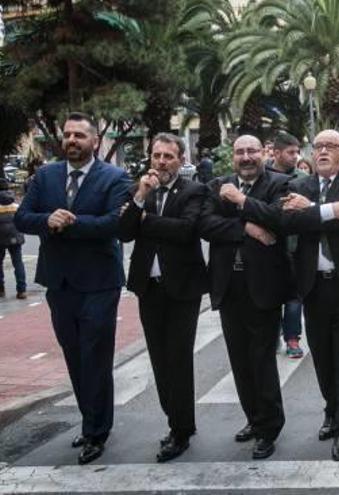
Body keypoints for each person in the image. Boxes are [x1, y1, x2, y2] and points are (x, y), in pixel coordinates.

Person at [14, 112, 131, 464]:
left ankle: (97, 431)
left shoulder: (115, 177)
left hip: (99, 283)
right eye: (67, 135)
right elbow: (22, 217)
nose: (71, 141)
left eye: (79, 135)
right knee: (74, 354)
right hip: (59, 282)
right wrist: (48, 220)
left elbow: (114, 224)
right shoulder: (45, 176)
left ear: (94, 141)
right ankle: (90, 421)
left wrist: (71, 223)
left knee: (95, 354)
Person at [265, 129, 339, 461]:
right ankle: (332, 409)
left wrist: (313, 210)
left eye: (330, 146)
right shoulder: (299, 185)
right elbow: (287, 222)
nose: (322, 151)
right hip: (313, 286)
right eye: (318, 146)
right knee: (323, 357)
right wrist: (329, 210)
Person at [198, 134, 292, 460]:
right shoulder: (216, 185)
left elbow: (280, 219)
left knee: (262, 360)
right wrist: (248, 228)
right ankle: (253, 419)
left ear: (263, 153)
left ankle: (269, 427)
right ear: (233, 157)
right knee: (239, 361)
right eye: (240, 152)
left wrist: (240, 202)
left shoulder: (280, 183)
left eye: (252, 150)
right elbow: (205, 224)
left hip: (264, 288)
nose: (247, 156)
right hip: (228, 287)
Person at [117, 133, 209, 463]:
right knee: (159, 359)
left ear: (180, 159)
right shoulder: (139, 192)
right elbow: (124, 231)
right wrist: (141, 198)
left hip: (183, 289)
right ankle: (180, 418)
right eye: (156, 155)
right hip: (149, 288)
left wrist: (146, 222)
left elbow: (186, 230)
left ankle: (180, 430)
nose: (161, 162)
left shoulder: (194, 190)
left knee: (178, 358)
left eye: (168, 156)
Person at [266, 132, 308, 358]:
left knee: (294, 295)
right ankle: (271, 337)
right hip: (268, 245)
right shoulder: (262, 175)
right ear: (276, 152)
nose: (295, 156)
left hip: (295, 245)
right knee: (270, 294)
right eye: (290, 152)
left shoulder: (302, 178)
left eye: (297, 152)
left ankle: (292, 338)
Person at [0, 178, 27, 299]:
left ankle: (1, 289)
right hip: (15, 236)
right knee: (18, 263)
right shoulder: (15, 203)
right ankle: (22, 290)